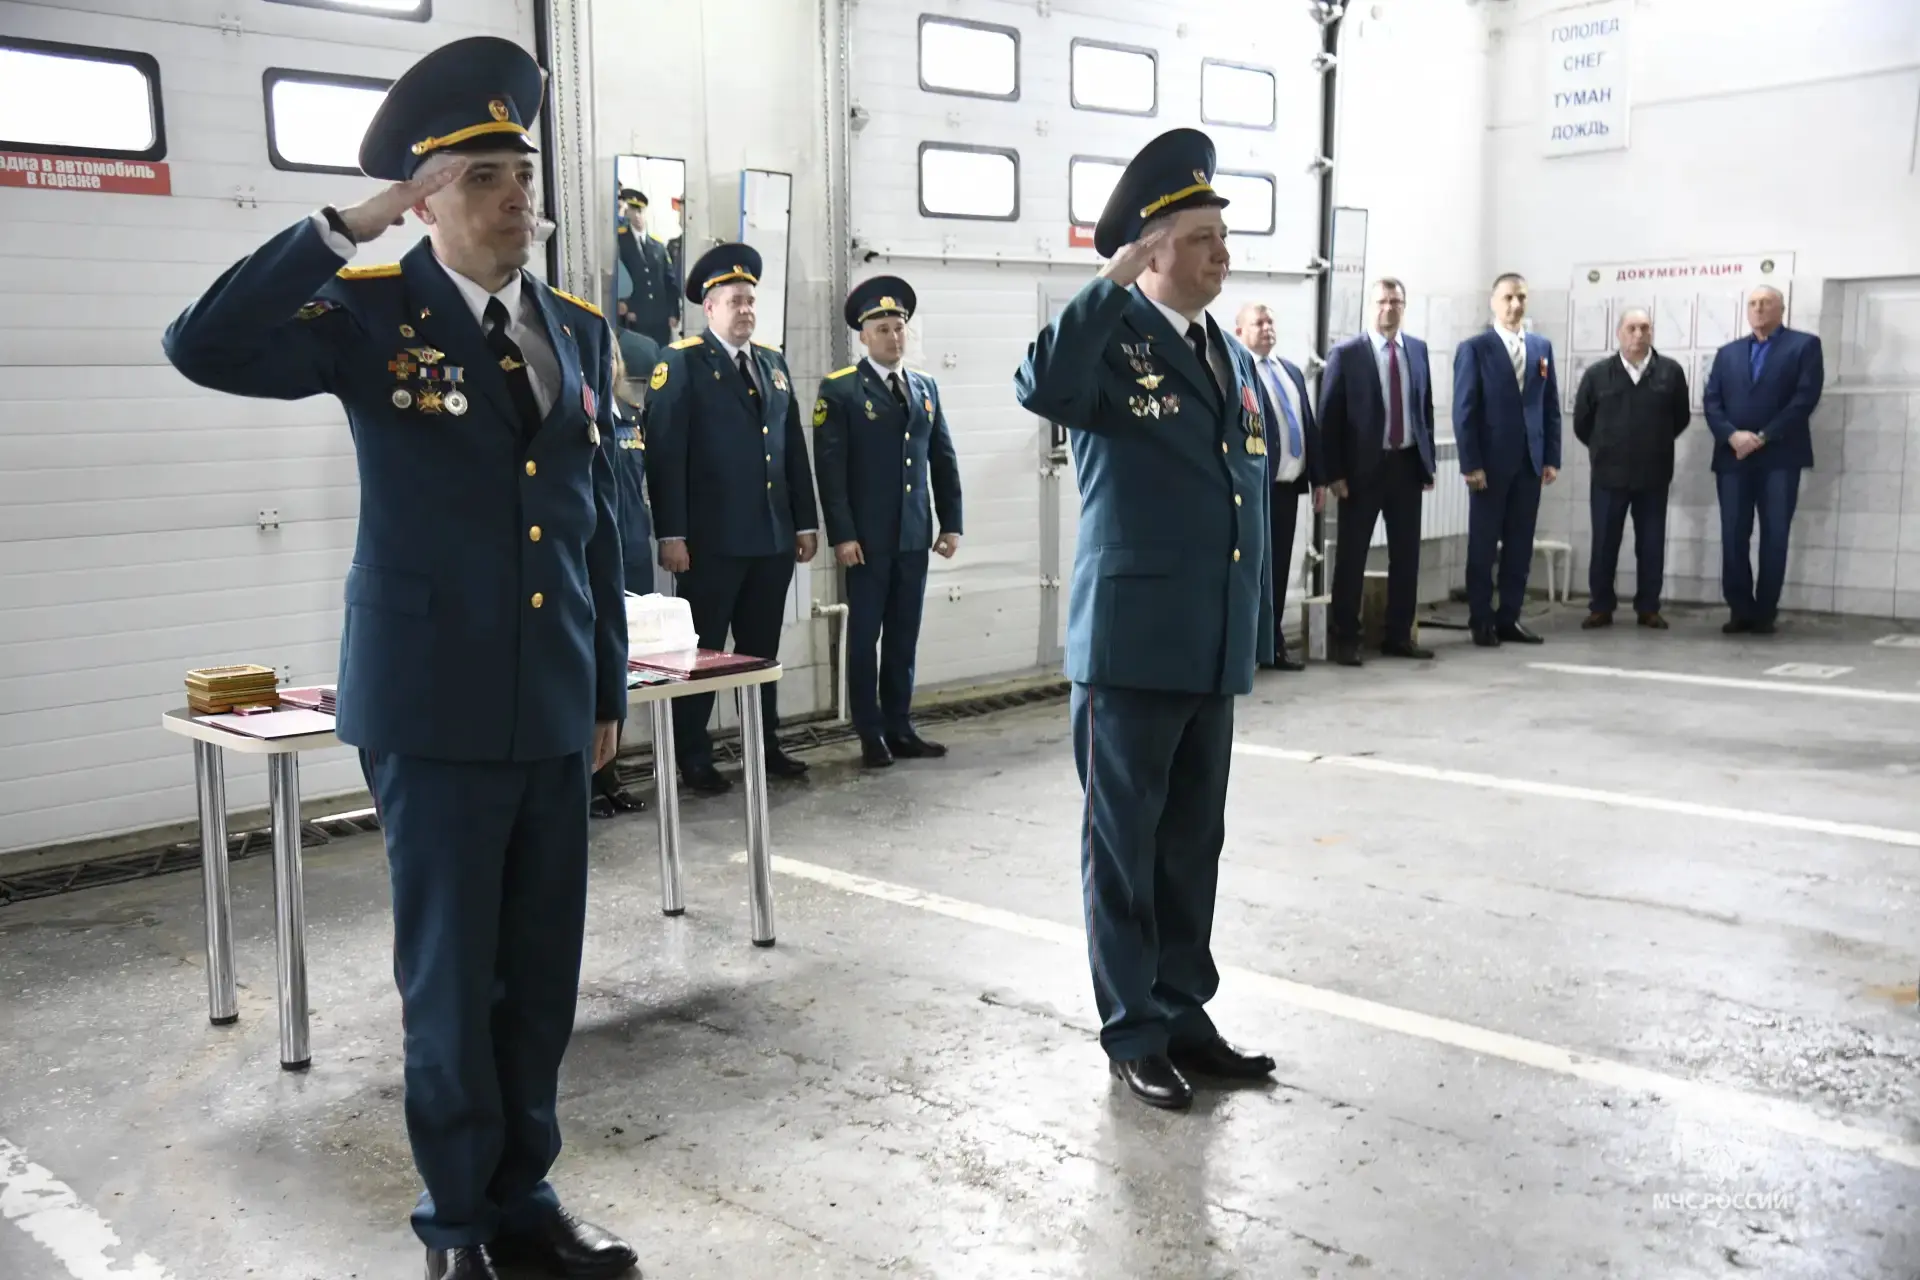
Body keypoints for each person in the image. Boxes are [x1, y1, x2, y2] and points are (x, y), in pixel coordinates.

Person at [162, 37, 637, 1280]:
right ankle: (458, 1225)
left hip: (551, 699)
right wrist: (344, 228)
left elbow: (590, 522)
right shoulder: (370, 313)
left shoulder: (578, 328)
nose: (516, 197)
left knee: (538, 974)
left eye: (522, 173)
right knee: (450, 977)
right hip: (430, 704)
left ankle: (526, 1197)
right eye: (483, 176)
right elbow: (201, 343)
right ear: (424, 199)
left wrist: (605, 684)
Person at [1015, 127, 1278, 1113]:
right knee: (1123, 851)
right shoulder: (1110, 339)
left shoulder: (1228, 355)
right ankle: (1133, 1030)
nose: (1222, 255)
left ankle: (1182, 1011)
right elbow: (1041, 384)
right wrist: (1111, 280)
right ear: (1152, 249)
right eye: (1202, 238)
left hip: (1209, 643)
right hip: (1130, 649)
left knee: (1190, 843)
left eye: (1222, 236)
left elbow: (1243, 488)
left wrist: (1249, 628)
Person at [643, 242, 817, 793]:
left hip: (770, 537)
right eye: (734, 301)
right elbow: (665, 454)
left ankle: (764, 746)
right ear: (710, 307)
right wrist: (671, 533)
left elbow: (791, 448)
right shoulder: (682, 362)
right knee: (702, 653)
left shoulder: (772, 363)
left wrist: (805, 522)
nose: (745, 310)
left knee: (761, 652)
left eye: (750, 301)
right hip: (710, 542)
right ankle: (692, 756)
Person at [812, 277, 963, 767]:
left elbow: (942, 458)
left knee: (903, 635)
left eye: (899, 328)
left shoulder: (924, 387)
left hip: (913, 536)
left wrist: (951, 522)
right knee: (865, 639)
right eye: (883, 329)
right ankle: (870, 733)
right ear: (863, 336)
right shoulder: (840, 390)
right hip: (867, 541)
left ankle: (900, 726)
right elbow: (831, 471)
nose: (894, 337)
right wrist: (843, 535)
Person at [1317, 277, 1437, 666]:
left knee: (1406, 556)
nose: (1389, 308)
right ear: (1371, 307)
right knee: (1352, 557)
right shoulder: (1347, 354)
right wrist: (1334, 473)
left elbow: (1424, 409)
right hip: (1361, 471)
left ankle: (1399, 636)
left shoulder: (1417, 350)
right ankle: (1345, 638)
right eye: (1382, 301)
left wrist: (1428, 463)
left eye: (1395, 302)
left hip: (1406, 465)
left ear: (1404, 306)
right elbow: (1329, 418)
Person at [1703, 285, 1824, 635]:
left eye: (1766, 303)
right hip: (1733, 458)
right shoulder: (1728, 353)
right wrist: (1732, 435)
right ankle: (1740, 610)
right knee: (1733, 534)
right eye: (1753, 303)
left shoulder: (1804, 346)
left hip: (1780, 457)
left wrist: (1763, 436)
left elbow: (1805, 399)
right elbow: (1712, 401)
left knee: (1775, 535)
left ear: (1781, 309)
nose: (1758, 309)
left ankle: (1765, 612)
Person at [1453, 272, 1561, 648]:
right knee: (1484, 546)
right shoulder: (1476, 348)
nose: (1515, 305)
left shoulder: (1541, 346)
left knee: (1520, 545)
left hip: (1530, 463)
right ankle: (1481, 619)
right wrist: (1471, 464)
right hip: (1489, 465)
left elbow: (1549, 406)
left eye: (1521, 297)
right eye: (1508, 298)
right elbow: (1464, 411)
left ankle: (1509, 617)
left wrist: (1551, 457)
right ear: (1494, 303)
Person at [1572, 307, 1692, 630]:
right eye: (1631, 328)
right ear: (1619, 334)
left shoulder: (1670, 372)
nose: (1638, 334)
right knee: (1604, 543)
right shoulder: (1598, 375)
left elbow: (1680, 417)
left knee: (1651, 544)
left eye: (1644, 328)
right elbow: (1582, 423)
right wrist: (1605, 448)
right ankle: (1601, 606)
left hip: (1653, 475)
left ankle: (1648, 607)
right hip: (1608, 476)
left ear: (1651, 332)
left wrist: (1654, 444)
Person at [1232, 301, 1321, 672]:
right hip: (1255, 491)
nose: (1267, 327)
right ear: (1239, 332)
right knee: (1254, 570)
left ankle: (1272, 644)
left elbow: (1306, 424)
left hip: (1286, 488)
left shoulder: (1290, 371)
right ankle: (1247, 649)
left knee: (1280, 568)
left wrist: (1318, 478)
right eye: (1259, 323)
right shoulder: (1237, 372)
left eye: (1270, 321)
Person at [592, 337, 656, 818]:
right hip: (592, 556)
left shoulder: (632, 415)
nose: (608, 364)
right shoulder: (578, 414)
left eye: (611, 356)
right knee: (590, 669)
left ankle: (611, 773)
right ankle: (588, 779)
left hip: (631, 553)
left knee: (623, 670)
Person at [613, 187, 679, 345]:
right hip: (635, 317)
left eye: (640, 211)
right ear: (627, 213)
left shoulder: (658, 245)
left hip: (660, 318)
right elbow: (616, 277)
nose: (637, 216)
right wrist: (626, 305)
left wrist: (673, 312)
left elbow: (669, 281)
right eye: (632, 211)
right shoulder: (620, 242)